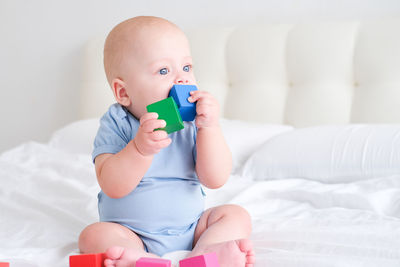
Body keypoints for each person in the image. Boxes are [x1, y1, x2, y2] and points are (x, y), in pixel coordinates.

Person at [78, 16, 255, 267]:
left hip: (192, 229)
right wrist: (140, 149)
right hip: (130, 232)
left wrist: (210, 128)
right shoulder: (117, 121)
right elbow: (112, 185)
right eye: (163, 71)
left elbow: (215, 179)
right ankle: (139, 259)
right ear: (124, 92)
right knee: (93, 236)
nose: (182, 80)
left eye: (186, 67)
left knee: (237, 215)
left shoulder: (194, 123)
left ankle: (203, 253)